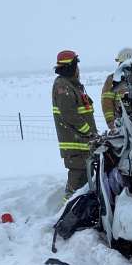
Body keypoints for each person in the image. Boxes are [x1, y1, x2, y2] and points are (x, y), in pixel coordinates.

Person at [51, 49, 98, 198]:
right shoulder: (63, 87)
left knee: (86, 182)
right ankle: (68, 209)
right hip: (76, 145)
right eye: (76, 66)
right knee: (77, 184)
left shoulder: (71, 85)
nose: (78, 70)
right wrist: (89, 131)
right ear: (70, 67)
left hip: (83, 144)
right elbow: (69, 115)